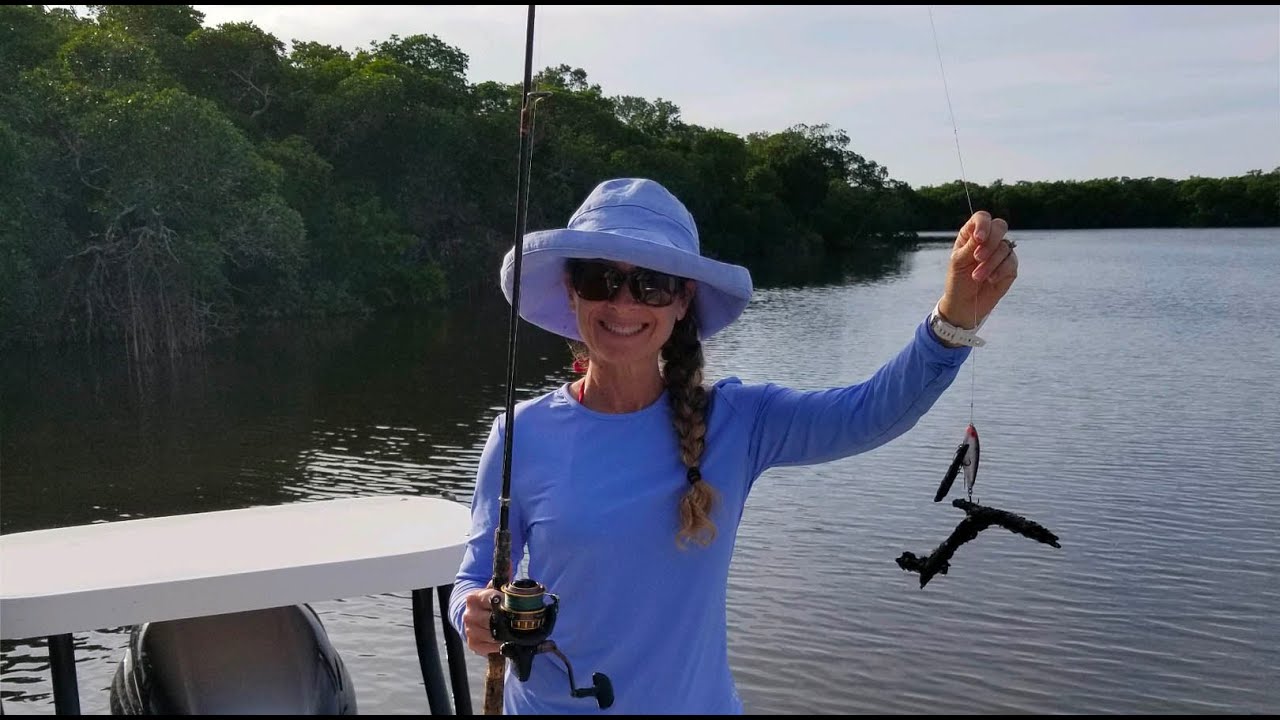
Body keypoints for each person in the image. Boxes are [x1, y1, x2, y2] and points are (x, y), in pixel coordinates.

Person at [448, 177, 1018, 714]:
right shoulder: (520, 432)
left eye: (651, 284)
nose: (623, 303)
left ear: (681, 300)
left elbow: (869, 414)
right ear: (573, 291)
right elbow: (472, 579)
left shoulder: (737, 421)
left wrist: (953, 320)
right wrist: (473, 614)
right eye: (601, 279)